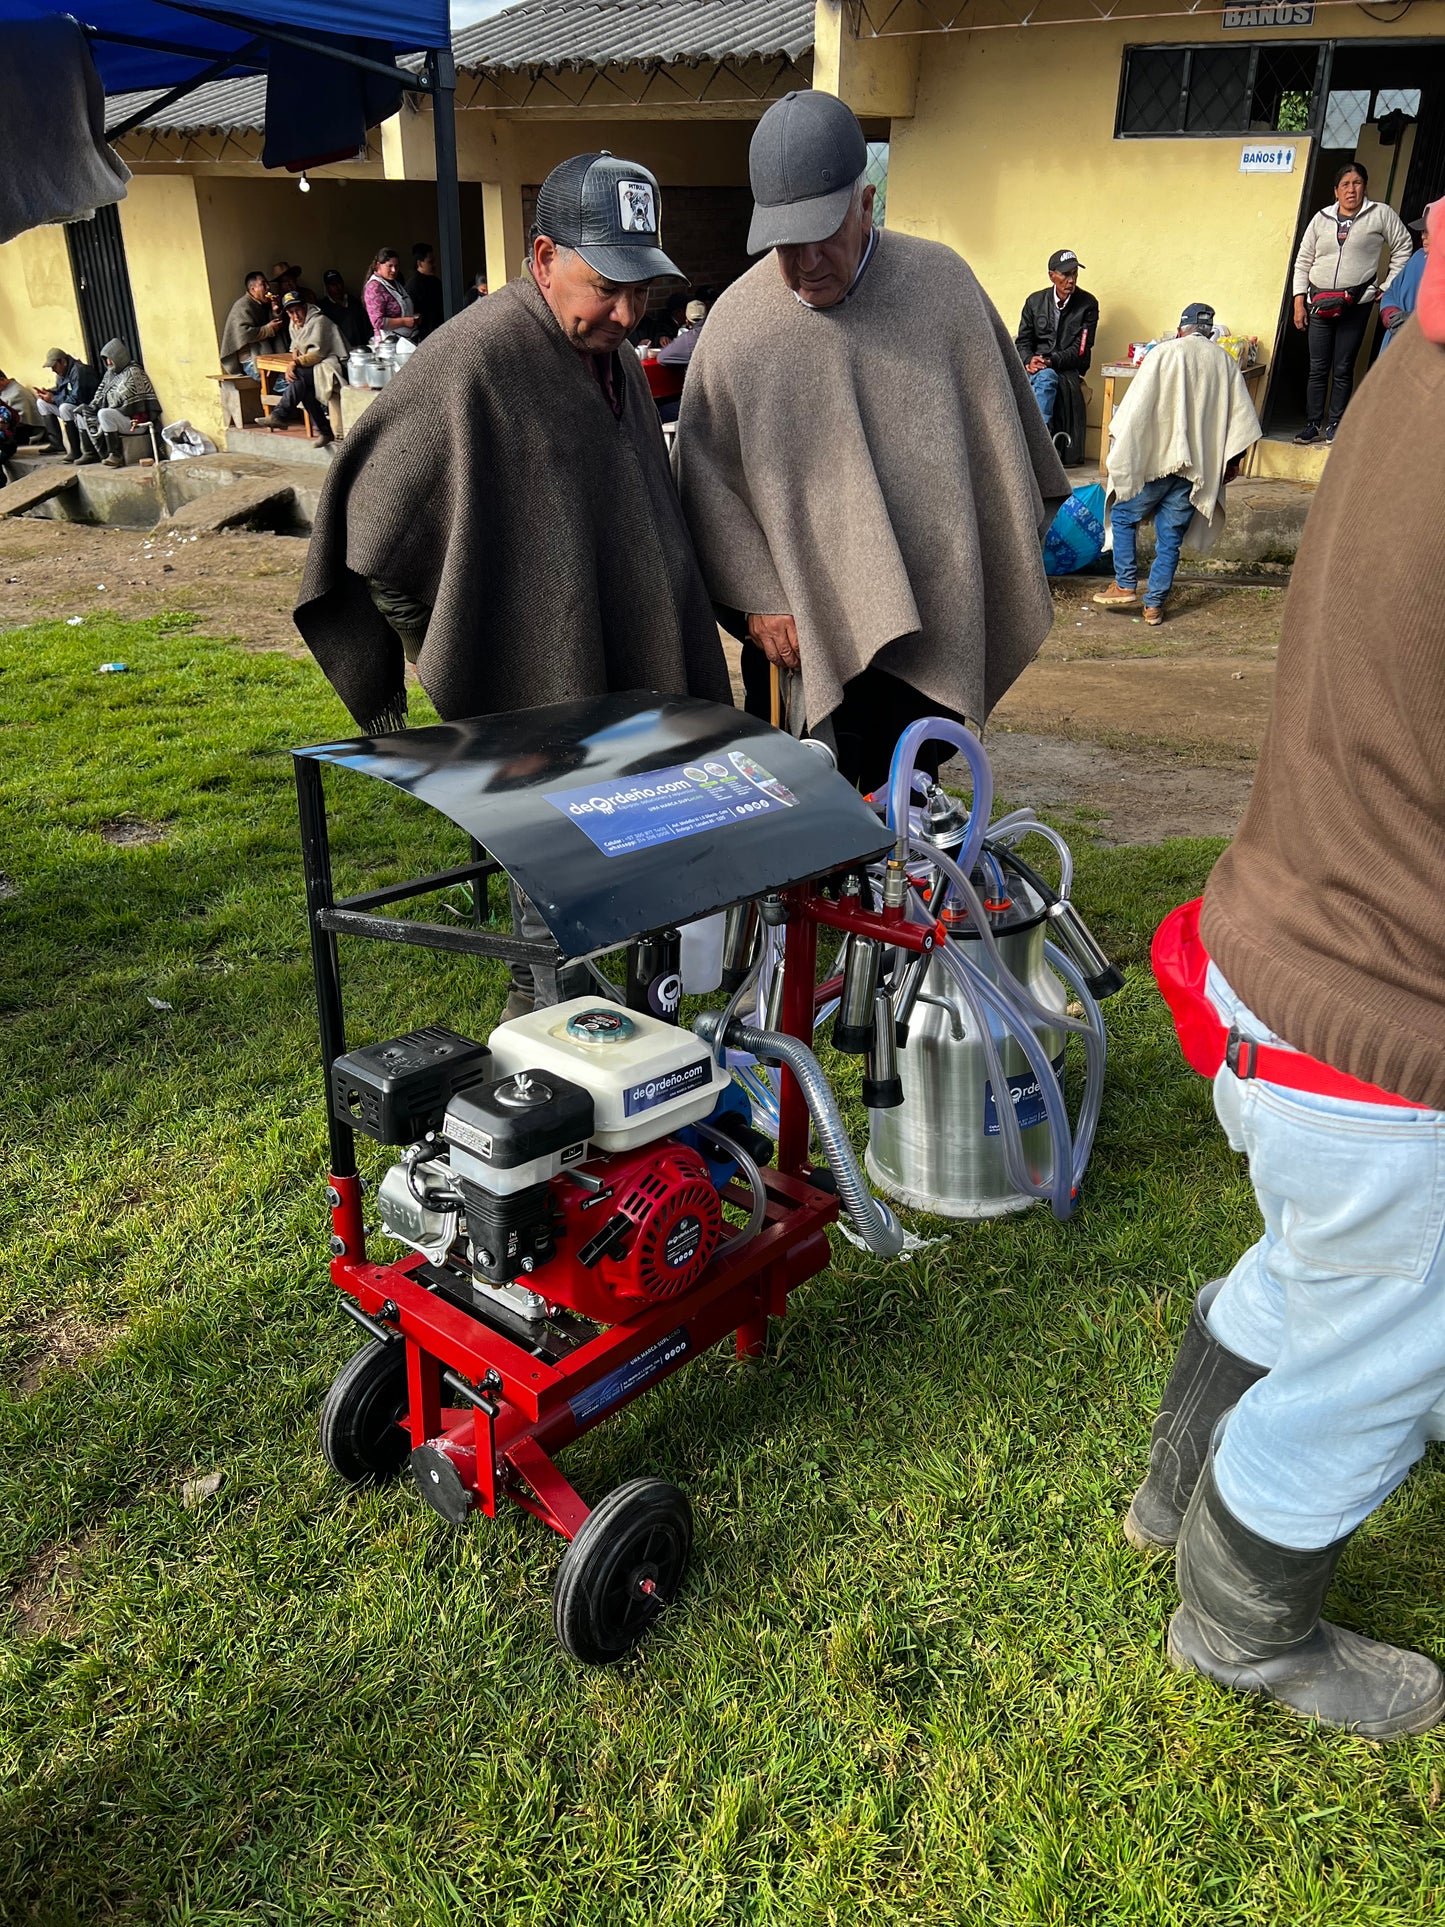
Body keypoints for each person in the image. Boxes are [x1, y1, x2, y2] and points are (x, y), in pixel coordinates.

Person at [1132, 212, 1445, 1742]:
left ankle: (1167, 1485)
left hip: (1285, 954)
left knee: (1314, 1266)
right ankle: (1243, 1624)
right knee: (1394, 1336)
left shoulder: (1417, 347)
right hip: (1392, 1021)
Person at [295, 151, 731, 1016]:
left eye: (640, 289)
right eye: (606, 285)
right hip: (540, 719)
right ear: (542, 257)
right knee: (559, 943)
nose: (626, 311)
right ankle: (538, 1112)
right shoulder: (476, 358)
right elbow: (368, 524)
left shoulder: (608, 355)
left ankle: (639, 1101)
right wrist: (474, 662)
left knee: (642, 921)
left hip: (628, 702)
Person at [674, 90, 1068, 794]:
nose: (806, 260)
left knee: (909, 829)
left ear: (866, 201)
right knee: (795, 831)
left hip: (929, 618)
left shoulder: (940, 285)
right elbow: (703, 484)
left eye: (824, 231)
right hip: (795, 642)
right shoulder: (735, 326)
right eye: (784, 243)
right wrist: (755, 595)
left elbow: (1007, 460)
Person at [1093, 303, 1260, 627]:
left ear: (1181, 328)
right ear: (1210, 331)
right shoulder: (1225, 362)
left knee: (1124, 515)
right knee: (1170, 538)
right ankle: (1153, 607)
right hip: (1195, 470)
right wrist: (1233, 462)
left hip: (1159, 462)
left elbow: (1134, 412)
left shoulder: (1162, 354)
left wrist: (1123, 450)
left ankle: (1125, 583)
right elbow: (1242, 420)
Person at [1291, 162, 1411, 444]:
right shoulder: (1321, 219)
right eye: (1345, 184)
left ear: (1364, 187)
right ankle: (1312, 424)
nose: (1351, 189)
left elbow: (1404, 246)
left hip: (1356, 304)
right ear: (1336, 191)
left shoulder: (1380, 214)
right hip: (1318, 303)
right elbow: (1303, 260)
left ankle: (1335, 424)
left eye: (1357, 183)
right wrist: (1299, 301)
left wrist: (1387, 287)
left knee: (1343, 366)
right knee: (1318, 367)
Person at [1015, 248, 1099, 464]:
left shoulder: (1087, 304)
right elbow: (1023, 341)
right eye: (1065, 274)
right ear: (1052, 275)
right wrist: (1028, 360)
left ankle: (1039, 446)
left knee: (1047, 378)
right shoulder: (1034, 302)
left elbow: (1080, 351)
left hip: (1061, 368)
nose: (1071, 280)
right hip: (1033, 367)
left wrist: (1049, 361)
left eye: (1074, 274)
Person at [265, 291, 348, 444]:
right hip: (316, 367)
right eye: (291, 312)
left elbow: (317, 354)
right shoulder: (294, 324)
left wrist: (294, 363)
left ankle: (280, 415)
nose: (295, 316)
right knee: (303, 388)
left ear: (305, 307)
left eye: (298, 310)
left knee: (299, 377)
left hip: (335, 365)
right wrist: (295, 356)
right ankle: (324, 432)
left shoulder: (319, 321)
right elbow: (295, 347)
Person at [72, 338, 160, 468]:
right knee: (81, 412)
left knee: (104, 413)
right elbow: (100, 393)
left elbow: (123, 398)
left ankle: (115, 455)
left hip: (135, 422)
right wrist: (92, 406)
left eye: (110, 358)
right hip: (118, 416)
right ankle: (90, 453)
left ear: (118, 357)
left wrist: (105, 404)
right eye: (106, 359)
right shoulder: (110, 374)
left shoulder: (134, 372)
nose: (108, 362)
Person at [1378, 200, 1437, 348]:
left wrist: (1415, 323)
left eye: (1430, 230)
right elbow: (1392, 290)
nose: (1424, 236)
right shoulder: (1418, 256)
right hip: (1394, 343)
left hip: (1424, 353)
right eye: (1423, 230)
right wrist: (1390, 313)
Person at [33, 347, 97, 460]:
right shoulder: (62, 373)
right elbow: (61, 390)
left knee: (64, 408)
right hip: (73, 406)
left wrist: (53, 399)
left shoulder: (79, 371)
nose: (53, 370)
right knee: (41, 403)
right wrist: (48, 392)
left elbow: (78, 398)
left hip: (86, 408)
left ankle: (76, 451)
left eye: (54, 366)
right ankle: (56, 444)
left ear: (63, 362)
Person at [220, 269, 286, 378]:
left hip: (269, 357)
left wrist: (275, 311)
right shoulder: (242, 306)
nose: (268, 287)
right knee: (281, 384)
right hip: (251, 359)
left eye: (267, 283)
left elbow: (277, 325)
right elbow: (243, 333)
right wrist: (268, 329)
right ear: (253, 289)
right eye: (263, 284)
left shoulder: (265, 304)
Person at [362, 248, 417, 341]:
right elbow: (377, 322)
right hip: (389, 342)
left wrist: (412, 317)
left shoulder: (394, 283)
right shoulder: (374, 287)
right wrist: (404, 321)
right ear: (378, 265)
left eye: (396, 266)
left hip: (407, 338)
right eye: (389, 266)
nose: (394, 270)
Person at [319, 269, 369, 351]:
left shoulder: (354, 302)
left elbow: (366, 326)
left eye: (339, 283)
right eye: (332, 285)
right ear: (327, 287)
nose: (337, 287)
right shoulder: (323, 307)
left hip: (361, 349)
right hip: (339, 351)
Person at [406, 242, 446, 340]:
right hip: (423, 335)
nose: (434, 265)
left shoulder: (436, 282)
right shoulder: (413, 285)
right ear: (419, 263)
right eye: (430, 262)